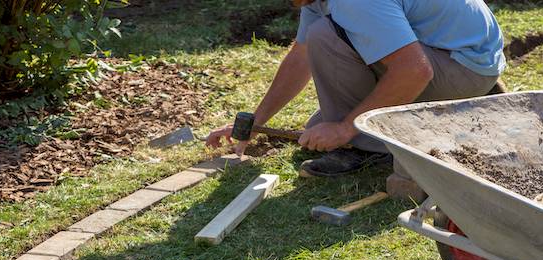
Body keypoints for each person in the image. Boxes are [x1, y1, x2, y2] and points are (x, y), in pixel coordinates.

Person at [206, 0, 506, 177]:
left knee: (326, 35)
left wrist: (345, 130)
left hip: (462, 68)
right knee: (317, 125)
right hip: (465, 59)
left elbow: (415, 71)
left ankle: (366, 148)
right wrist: (255, 122)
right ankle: (459, 104)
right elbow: (300, 57)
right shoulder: (318, 0)